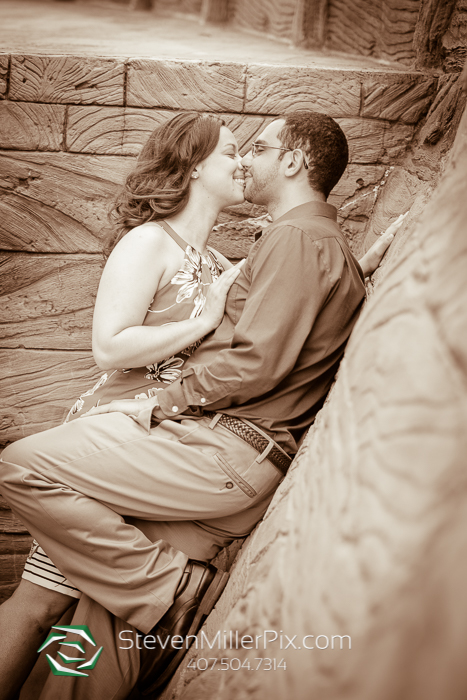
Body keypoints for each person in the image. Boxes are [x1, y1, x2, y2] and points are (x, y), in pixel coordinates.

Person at [0, 110, 402, 700]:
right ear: (193, 168)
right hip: (136, 438)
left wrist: (356, 269)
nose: (243, 160)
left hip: (189, 442)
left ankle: (166, 590)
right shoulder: (154, 243)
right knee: (74, 609)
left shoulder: (241, 257)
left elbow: (278, 330)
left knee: (81, 583)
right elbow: (112, 347)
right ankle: (146, 609)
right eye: (233, 150)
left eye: (254, 147)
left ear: (291, 162)